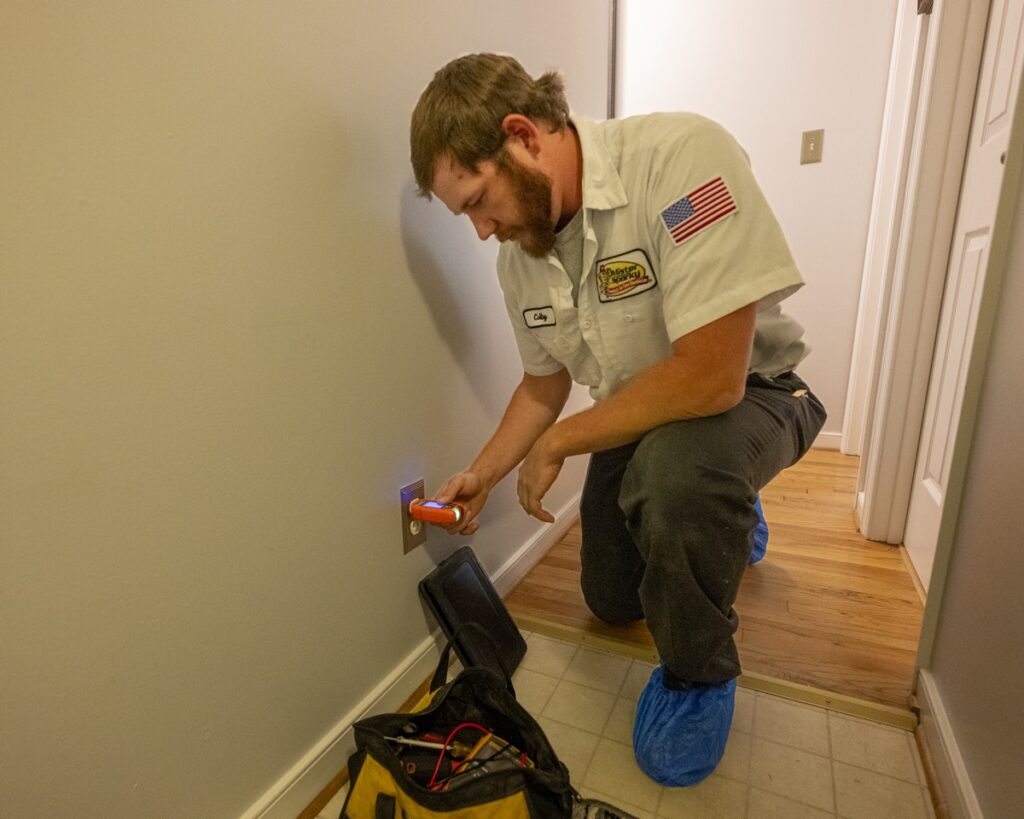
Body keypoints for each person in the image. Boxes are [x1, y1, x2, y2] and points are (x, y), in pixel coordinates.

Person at [409, 53, 826, 786]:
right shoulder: (522, 257)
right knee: (612, 599)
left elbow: (711, 375)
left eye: (477, 201)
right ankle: (723, 509)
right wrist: (485, 472)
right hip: (645, 416)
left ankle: (700, 674)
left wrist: (564, 441)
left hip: (756, 394)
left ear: (522, 136)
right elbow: (544, 383)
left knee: (678, 478)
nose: (480, 230)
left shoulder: (680, 161)